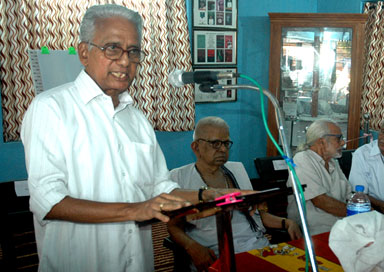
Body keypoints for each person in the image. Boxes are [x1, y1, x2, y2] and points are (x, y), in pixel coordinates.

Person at [20, 5, 232, 271]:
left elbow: (160, 189)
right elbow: (48, 201)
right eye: (112, 48)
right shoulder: (51, 108)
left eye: (133, 51)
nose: (125, 61)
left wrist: (205, 197)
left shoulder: (137, 119)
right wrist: (134, 210)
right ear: (84, 52)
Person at [168, 116, 301, 272]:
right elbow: (173, 226)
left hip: (256, 248)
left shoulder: (237, 170)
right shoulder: (179, 177)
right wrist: (192, 247)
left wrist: (286, 222)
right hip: (215, 253)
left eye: (226, 143)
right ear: (196, 147)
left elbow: (258, 216)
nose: (223, 149)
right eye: (215, 143)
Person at [286, 119, 352, 236]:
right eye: (338, 138)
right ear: (322, 142)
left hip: (341, 226)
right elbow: (321, 201)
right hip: (316, 232)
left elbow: (349, 194)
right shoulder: (302, 159)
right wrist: (357, 213)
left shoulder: (333, 162)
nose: (343, 143)